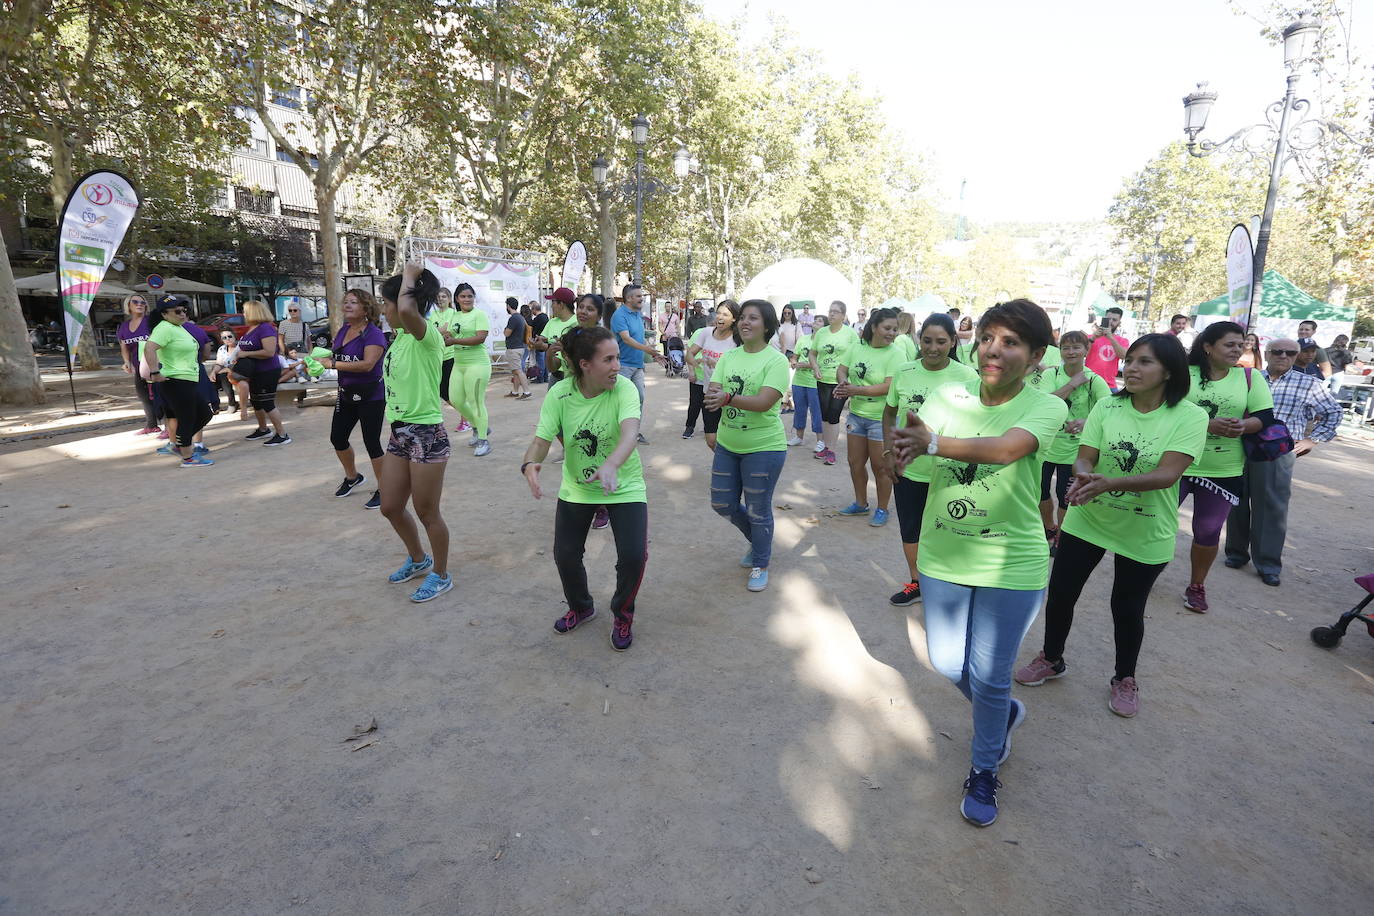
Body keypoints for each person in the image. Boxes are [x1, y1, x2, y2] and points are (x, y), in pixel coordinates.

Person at [889, 298, 1068, 827]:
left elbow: (1006, 450)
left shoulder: (1045, 406)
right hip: (944, 553)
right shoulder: (948, 393)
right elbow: (919, 446)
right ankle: (1005, 715)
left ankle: (984, 767)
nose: (994, 349)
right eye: (988, 337)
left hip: (1011, 563)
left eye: (1011, 342)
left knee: (989, 677)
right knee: (945, 663)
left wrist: (934, 442)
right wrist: (904, 454)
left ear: (1037, 356)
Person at [1015, 334, 1206, 718]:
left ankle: (1125, 677)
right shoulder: (1108, 405)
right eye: (1130, 360)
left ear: (1169, 372)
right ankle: (1052, 658)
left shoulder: (1191, 416)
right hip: (1089, 517)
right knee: (1062, 593)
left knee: (1127, 607)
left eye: (1144, 362)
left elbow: (1168, 474)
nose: (1132, 368)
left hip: (1146, 526)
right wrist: (1085, 476)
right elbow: (1085, 458)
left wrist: (1108, 482)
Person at [522, 325, 647, 650]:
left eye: (617, 358)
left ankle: (623, 613)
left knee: (633, 556)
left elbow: (630, 433)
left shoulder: (623, 389)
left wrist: (611, 465)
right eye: (609, 360)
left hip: (624, 485)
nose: (617, 367)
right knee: (565, 555)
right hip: (578, 487)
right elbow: (541, 440)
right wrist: (529, 464)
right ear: (584, 364)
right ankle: (581, 606)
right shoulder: (560, 393)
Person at [1224, 338, 1343, 586]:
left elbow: (1334, 412)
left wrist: (1313, 440)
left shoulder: (1309, 383)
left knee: (1272, 507)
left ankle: (1267, 563)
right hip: (1241, 445)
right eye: (1277, 351)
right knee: (1236, 500)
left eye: (1290, 353)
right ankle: (1236, 553)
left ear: (1297, 356)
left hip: (1277, 451)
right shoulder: (1247, 378)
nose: (1283, 356)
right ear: (1266, 354)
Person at [1178, 320, 1275, 612]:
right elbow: (1164, 411)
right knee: (1154, 524)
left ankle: (1197, 585)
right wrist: (1207, 425)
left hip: (1223, 468)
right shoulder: (1184, 375)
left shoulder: (1250, 378)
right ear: (1208, 347)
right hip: (1177, 463)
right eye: (1229, 344)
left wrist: (1244, 426)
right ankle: (1143, 573)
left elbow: (1265, 417)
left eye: (1240, 344)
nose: (1237, 350)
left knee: (1207, 532)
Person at [882, 313, 977, 605]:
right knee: (910, 529)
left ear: (952, 343)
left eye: (941, 341)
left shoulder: (968, 377)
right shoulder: (905, 371)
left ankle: (948, 587)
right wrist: (888, 451)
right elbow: (889, 412)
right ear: (918, 339)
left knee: (948, 531)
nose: (932, 348)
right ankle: (917, 582)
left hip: (949, 472)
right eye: (927, 341)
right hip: (908, 469)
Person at [377, 264, 453, 603]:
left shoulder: (428, 337)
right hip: (400, 433)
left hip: (427, 435)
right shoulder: (399, 340)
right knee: (390, 506)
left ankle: (440, 574)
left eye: (386, 302)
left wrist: (409, 275)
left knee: (427, 512)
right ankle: (419, 559)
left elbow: (408, 308)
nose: (385, 309)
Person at [705, 299, 789, 593]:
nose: (745, 322)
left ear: (767, 325)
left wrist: (727, 398)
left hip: (764, 447)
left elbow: (764, 402)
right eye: (743, 318)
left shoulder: (776, 360)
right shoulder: (729, 357)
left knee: (758, 509)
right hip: (728, 444)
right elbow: (714, 390)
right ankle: (759, 539)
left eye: (754, 318)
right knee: (722, 503)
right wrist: (715, 402)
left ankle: (761, 563)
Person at [1028, 330, 1111, 550]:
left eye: (1076, 347)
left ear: (1086, 350)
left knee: (1065, 497)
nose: (1071, 352)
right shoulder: (1051, 375)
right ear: (1060, 351)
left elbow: (1111, 412)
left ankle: (1060, 537)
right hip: (1045, 447)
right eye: (1066, 347)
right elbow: (1044, 403)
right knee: (1040, 493)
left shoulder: (1095, 380)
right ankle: (1049, 526)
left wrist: (1087, 421)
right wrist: (1073, 383)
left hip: (1075, 451)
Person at [317, 288, 388, 510]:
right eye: (346, 301)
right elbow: (335, 356)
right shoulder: (343, 330)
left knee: (372, 443)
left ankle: (385, 489)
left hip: (371, 396)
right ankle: (352, 477)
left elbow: (368, 365)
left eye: (354, 302)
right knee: (337, 438)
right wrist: (315, 361)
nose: (347, 305)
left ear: (366, 308)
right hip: (346, 394)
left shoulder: (374, 334)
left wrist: (334, 364)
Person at [835, 307, 903, 526]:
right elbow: (842, 369)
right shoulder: (857, 347)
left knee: (881, 466)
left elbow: (888, 386)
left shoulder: (896, 354)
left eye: (895, 329)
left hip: (881, 420)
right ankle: (861, 503)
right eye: (887, 328)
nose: (892, 333)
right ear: (874, 327)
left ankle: (882, 509)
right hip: (856, 416)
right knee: (855, 462)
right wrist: (844, 381)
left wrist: (856, 390)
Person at [140, 296, 215, 467]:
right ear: (164, 314)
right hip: (175, 380)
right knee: (186, 418)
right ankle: (188, 458)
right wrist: (154, 372)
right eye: (178, 311)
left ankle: (182, 443)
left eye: (184, 310)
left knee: (205, 414)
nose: (183, 314)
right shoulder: (164, 327)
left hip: (188, 380)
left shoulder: (178, 328)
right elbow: (149, 348)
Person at [610, 283, 664, 442]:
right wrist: (648, 351)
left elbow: (639, 339)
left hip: (638, 366)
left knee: (639, 397)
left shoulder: (637, 315)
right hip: (623, 366)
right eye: (639, 296)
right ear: (629, 298)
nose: (642, 299)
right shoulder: (619, 315)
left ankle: (633, 432)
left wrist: (653, 355)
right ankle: (617, 433)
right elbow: (626, 339)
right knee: (620, 400)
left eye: (642, 296)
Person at [235, 299, 291, 446]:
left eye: (245, 310)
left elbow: (269, 352)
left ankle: (282, 434)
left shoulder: (265, 328)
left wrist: (246, 354)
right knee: (256, 401)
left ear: (253, 312)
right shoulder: (252, 328)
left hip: (267, 371)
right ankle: (263, 429)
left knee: (267, 402)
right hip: (254, 371)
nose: (243, 313)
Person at [811, 300, 860, 465]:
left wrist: (850, 378)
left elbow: (857, 354)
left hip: (840, 382)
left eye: (836, 312)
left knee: (834, 415)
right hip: (822, 379)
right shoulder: (821, 332)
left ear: (843, 316)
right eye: (830, 311)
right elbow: (812, 353)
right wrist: (815, 366)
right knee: (824, 415)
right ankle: (825, 446)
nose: (831, 314)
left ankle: (831, 450)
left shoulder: (850, 334)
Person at [683, 301, 738, 446]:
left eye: (725, 314)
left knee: (731, 436)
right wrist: (697, 363)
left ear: (734, 319)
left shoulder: (738, 340)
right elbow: (689, 354)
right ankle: (726, 461)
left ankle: (729, 465)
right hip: (710, 393)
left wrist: (720, 366)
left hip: (730, 395)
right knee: (711, 439)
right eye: (719, 313)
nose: (720, 317)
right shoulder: (706, 333)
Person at [447, 283, 492, 456]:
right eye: (463, 296)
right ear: (457, 299)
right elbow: (448, 333)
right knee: (455, 400)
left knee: (476, 402)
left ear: (474, 298)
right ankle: (480, 426)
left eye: (469, 296)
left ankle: (483, 440)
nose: (466, 299)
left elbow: (480, 338)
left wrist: (454, 341)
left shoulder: (479, 314)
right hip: (459, 364)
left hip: (477, 364)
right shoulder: (454, 315)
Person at [118, 293, 162, 435]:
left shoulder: (152, 321)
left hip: (157, 365)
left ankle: (170, 428)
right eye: (135, 302)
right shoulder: (124, 326)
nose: (140, 304)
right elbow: (124, 346)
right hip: (139, 367)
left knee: (162, 395)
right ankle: (151, 425)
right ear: (128, 306)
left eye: (143, 303)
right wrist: (126, 362)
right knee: (143, 395)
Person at [787, 324, 823, 452]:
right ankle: (799, 437)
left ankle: (820, 441)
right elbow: (795, 356)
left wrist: (806, 365)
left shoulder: (824, 341)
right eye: (815, 320)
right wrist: (793, 362)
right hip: (799, 381)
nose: (816, 323)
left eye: (820, 321)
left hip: (815, 382)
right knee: (799, 409)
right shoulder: (803, 339)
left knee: (817, 411)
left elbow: (823, 362)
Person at [430, 286, 460, 416]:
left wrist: (434, 333)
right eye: (438, 297)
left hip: (451, 357)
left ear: (449, 299)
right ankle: (467, 416)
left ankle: (466, 418)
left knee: (451, 391)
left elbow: (446, 330)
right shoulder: (433, 314)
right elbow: (432, 332)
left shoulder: (452, 313)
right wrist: (437, 332)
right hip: (437, 358)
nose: (440, 299)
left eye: (443, 296)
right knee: (442, 392)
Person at [539, 287, 578, 384]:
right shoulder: (551, 322)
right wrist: (541, 341)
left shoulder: (577, 323)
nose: (551, 306)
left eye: (553, 302)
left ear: (561, 304)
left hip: (571, 376)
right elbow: (547, 342)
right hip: (555, 375)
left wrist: (546, 346)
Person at [1085, 306, 1129, 388]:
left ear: (1119, 323)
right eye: (1108, 319)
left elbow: (1124, 356)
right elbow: (1083, 354)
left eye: (1114, 320)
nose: (1111, 322)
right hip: (1088, 382)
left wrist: (1111, 338)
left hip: (1109, 385)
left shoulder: (1123, 341)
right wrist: (1093, 338)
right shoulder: (1090, 337)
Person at [279, 303, 309, 406]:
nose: (292, 312)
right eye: (290, 310)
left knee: (302, 373)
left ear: (299, 311)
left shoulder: (305, 325)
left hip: (302, 352)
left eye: (295, 310)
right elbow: (280, 339)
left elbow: (308, 340)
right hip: (289, 352)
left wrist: (310, 353)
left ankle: (301, 398)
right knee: (291, 371)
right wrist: (284, 352)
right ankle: (288, 397)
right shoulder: (283, 324)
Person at [503, 297, 532, 399]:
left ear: (508, 306)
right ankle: (515, 392)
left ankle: (526, 391)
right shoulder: (520, 317)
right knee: (515, 371)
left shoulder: (513, 318)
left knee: (518, 371)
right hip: (519, 347)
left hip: (513, 349)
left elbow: (507, 333)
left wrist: (505, 330)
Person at [775, 304, 800, 412]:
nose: (787, 315)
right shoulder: (779, 324)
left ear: (792, 313)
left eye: (789, 313)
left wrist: (796, 355)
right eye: (785, 313)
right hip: (780, 353)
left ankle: (785, 404)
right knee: (782, 380)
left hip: (792, 353)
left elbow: (800, 339)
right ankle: (788, 404)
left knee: (788, 380)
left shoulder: (796, 324)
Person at [211, 330, 241, 412]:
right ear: (222, 340)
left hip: (239, 371)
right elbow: (219, 364)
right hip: (225, 372)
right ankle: (215, 406)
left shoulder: (240, 347)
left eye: (230, 336)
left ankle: (232, 403)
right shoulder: (222, 349)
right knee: (212, 378)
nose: (228, 339)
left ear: (234, 336)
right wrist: (213, 372)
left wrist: (228, 369)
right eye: (224, 338)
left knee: (223, 376)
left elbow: (241, 363)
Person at [529, 301, 549, 383]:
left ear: (534, 309)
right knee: (545, 361)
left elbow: (534, 331)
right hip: (546, 342)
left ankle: (540, 378)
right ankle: (545, 377)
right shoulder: (545, 316)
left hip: (539, 342)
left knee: (540, 361)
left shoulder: (537, 319)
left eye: (531, 309)